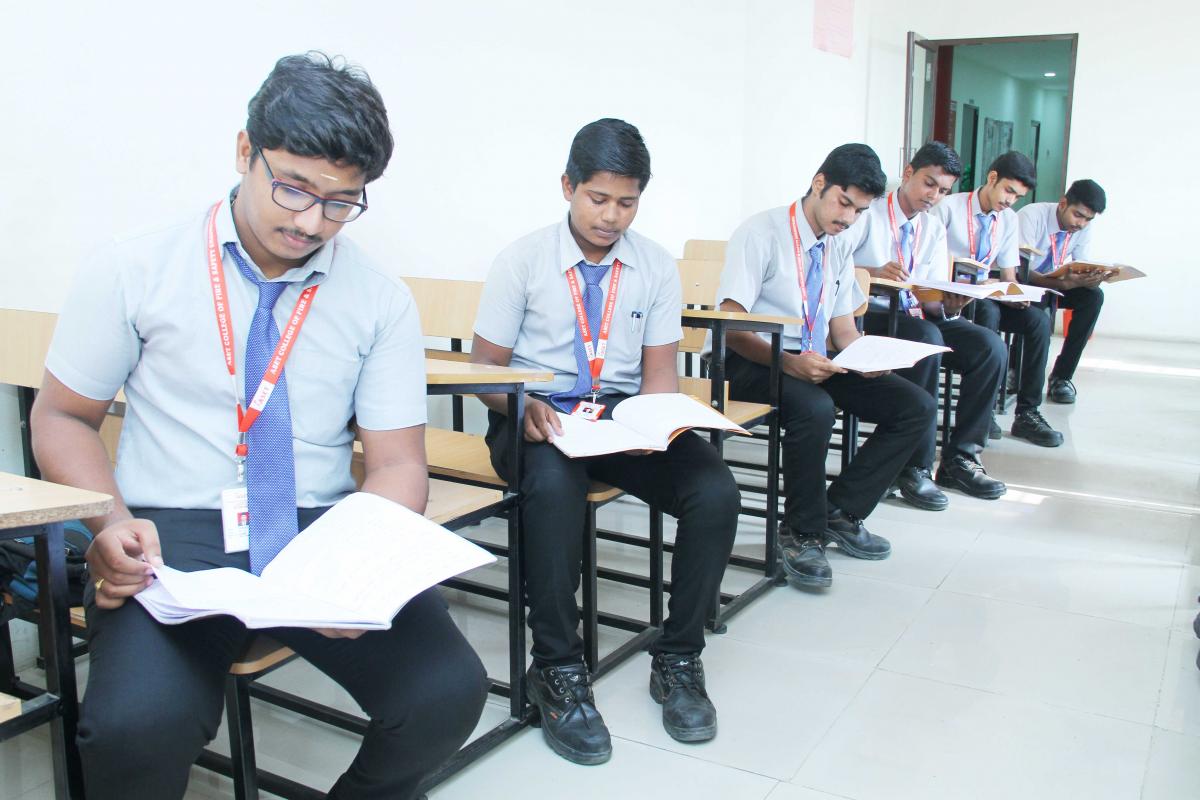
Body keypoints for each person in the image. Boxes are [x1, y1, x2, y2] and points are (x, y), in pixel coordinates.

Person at [29, 52, 488, 800]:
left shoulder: (379, 298)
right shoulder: (134, 267)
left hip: (317, 530)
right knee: (135, 728)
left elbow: (399, 464)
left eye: (340, 202)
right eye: (294, 188)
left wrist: (358, 564)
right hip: (170, 536)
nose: (311, 222)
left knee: (445, 694)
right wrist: (108, 524)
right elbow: (62, 416)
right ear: (246, 150)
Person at [470, 119, 739, 765]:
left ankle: (678, 657)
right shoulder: (522, 261)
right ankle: (558, 668)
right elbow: (484, 373)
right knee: (554, 486)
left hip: (618, 416)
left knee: (715, 491)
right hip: (534, 414)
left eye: (627, 202)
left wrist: (655, 424)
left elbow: (659, 374)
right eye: (598, 199)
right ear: (568, 186)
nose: (611, 216)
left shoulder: (654, 266)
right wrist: (523, 405)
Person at [716, 143, 934, 588]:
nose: (849, 218)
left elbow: (843, 330)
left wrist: (866, 359)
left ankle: (840, 510)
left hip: (814, 360)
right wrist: (788, 363)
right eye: (844, 203)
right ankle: (801, 532)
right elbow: (731, 328)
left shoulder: (838, 244)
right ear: (819, 184)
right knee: (814, 409)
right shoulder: (761, 233)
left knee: (915, 407)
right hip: (751, 360)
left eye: (861, 211)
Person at [853, 142, 1007, 504]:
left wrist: (950, 303)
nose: (934, 196)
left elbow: (930, 295)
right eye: (929, 184)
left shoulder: (933, 227)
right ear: (908, 173)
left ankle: (960, 458)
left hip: (915, 314)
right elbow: (834, 266)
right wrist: (872, 273)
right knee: (926, 337)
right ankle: (914, 466)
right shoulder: (868, 213)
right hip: (868, 314)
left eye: (943, 191)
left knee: (990, 347)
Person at [931, 150, 1063, 447]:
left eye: (1017, 197)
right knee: (987, 313)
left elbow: (1009, 274)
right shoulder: (948, 208)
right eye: (1008, 191)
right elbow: (931, 265)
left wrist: (1015, 294)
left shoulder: (1008, 220)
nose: (1010, 201)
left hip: (987, 293)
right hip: (953, 295)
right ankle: (985, 410)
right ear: (992, 178)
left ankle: (1028, 412)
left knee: (1038, 322)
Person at [1018, 179, 1108, 404]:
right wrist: (1059, 284)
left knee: (1093, 298)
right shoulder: (1032, 216)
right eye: (1078, 215)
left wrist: (1091, 280)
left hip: (1055, 283)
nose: (1081, 224)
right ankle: (1017, 371)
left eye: (1088, 219)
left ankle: (1061, 377)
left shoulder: (1082, 228)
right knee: (1040, 300)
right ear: (1063, 203)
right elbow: (1019, 269)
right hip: (1024, 283)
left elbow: (1081, 263)